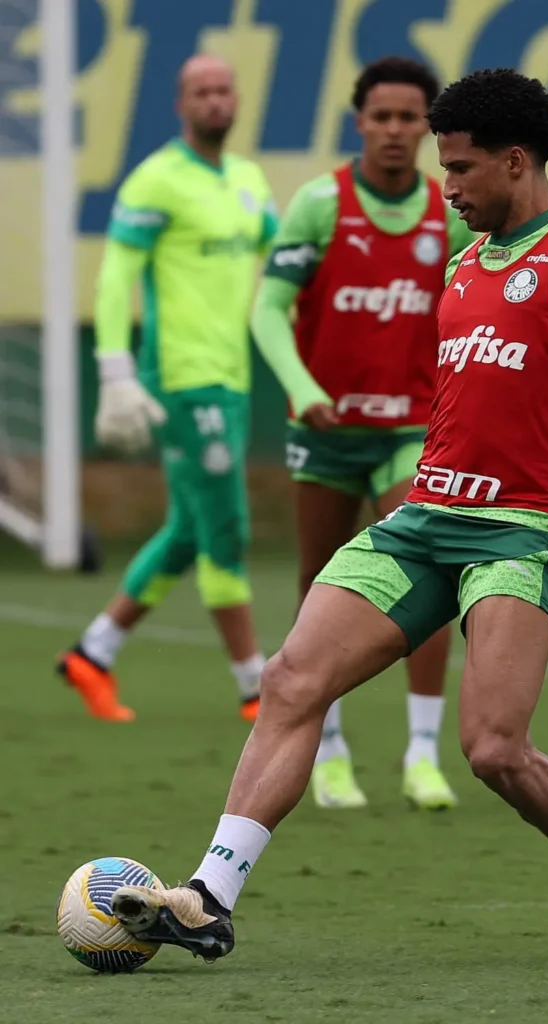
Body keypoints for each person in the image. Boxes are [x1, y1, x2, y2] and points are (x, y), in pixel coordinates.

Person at [108, 67, 548, 967]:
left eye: (463, 169)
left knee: (495, 750)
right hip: (425, 517)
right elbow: (536, 379)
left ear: (516, 162)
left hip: (522, 529)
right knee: (290, 680)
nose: (449, 187)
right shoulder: (468, 261)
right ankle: (209, 895)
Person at [250, 57, 475, 811]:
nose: (395, 130)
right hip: (325, 433)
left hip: (410, 430)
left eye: (410, 117)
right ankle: (330, 749)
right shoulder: (320, 205)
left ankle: (421, 752)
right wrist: (304, 388)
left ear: (429, 128)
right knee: (321, 583)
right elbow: (266, 309)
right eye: (381, 116)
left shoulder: (446, 215)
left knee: (429, 571)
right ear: (360, 123)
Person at [57, 56, 277, 723]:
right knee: (227, 530)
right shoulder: (155, 180)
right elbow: (113, 275)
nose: (214, 100)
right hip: (180, 380)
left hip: (233, 376)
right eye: (200, 91)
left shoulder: (247, 179)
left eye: (222, 88)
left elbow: (281, 258)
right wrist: (116, 369)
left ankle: (91, 655)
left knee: (189, 529)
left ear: (235, 98)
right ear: (181, 104)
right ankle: (254, 687)